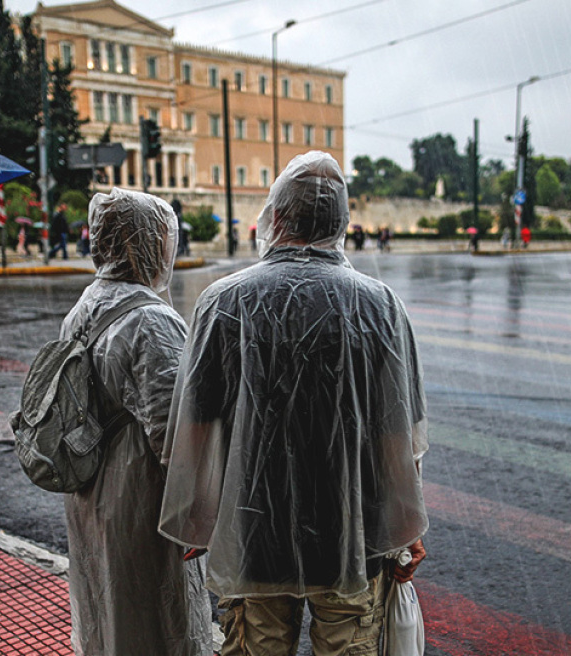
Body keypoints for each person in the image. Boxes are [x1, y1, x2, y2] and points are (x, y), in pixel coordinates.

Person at [159, 152, 428, 656]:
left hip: (254, 525)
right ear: (342, 223)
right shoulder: (379, 305)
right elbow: (397, 434)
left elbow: (195, 426)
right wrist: (404, 529)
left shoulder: (224, 302)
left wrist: (196, 517)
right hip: (353, 528)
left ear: (275, 217)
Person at [63, 189, 211, 656]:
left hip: (90, 487)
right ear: (144, 244)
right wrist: (196, 514)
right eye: (165, 238)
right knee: (156, 618)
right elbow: (175, 433)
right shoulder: (152, 320)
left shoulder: (84, 307)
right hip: (141, 498)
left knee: (106, 609)